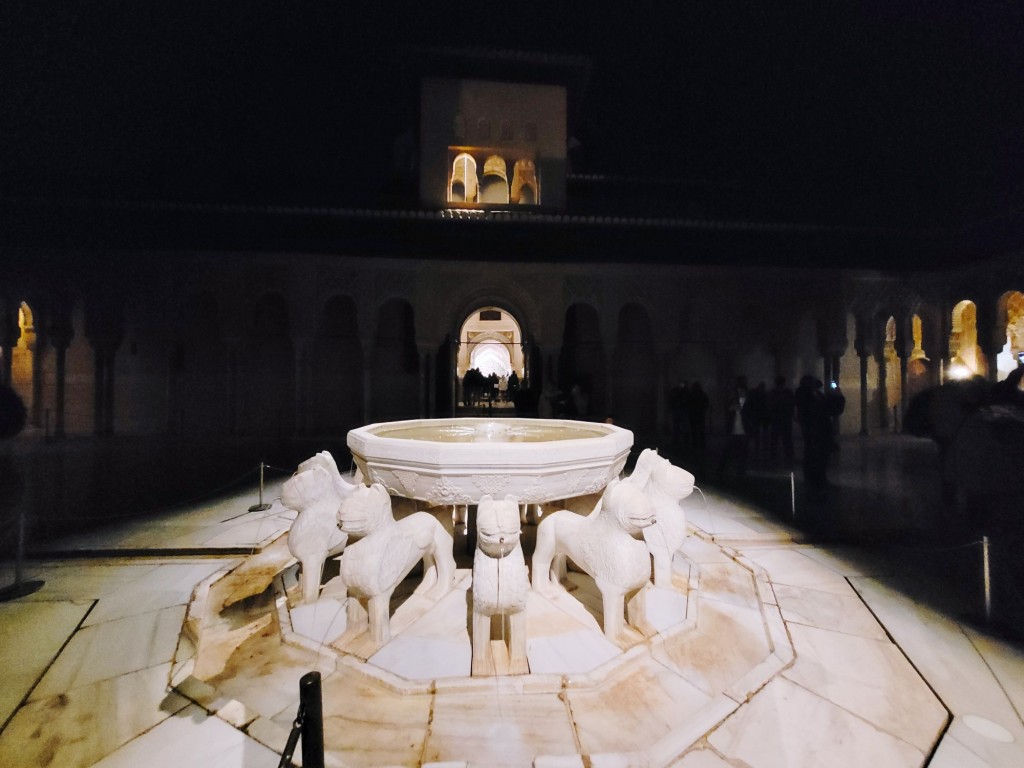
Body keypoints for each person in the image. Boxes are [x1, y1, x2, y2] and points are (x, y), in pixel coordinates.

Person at [768, 376, 795, 466]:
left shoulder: (773, 392)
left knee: (775, 438)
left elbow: (770, 404)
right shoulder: (787, 392)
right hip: (785, 418)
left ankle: (773, 455)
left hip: (776, 418)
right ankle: (788, 455)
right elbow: (792, 404)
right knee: (787, 438)